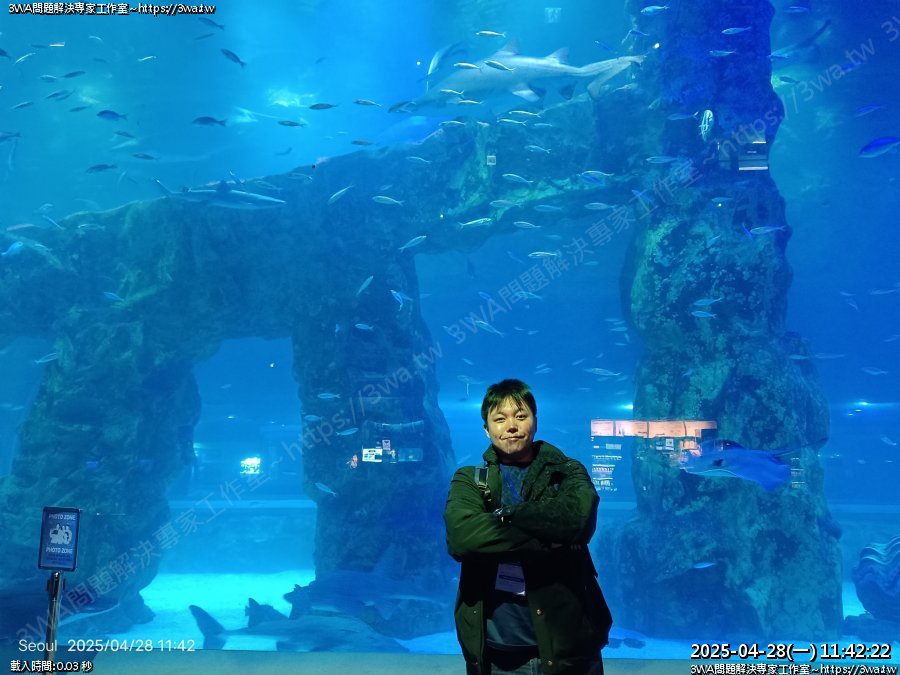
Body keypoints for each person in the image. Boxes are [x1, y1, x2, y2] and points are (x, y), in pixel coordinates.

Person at [444, 378, 612, 675]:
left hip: (570, 646)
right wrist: (547, 536)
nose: (511, 426)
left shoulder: (567, 471)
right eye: (500, 419)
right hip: (497, 654)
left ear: (535, 421)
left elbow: (578, 522)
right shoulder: (469, 479)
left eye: (521, 416)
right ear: (486, 429)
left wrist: (505, 518)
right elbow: (462, 538)